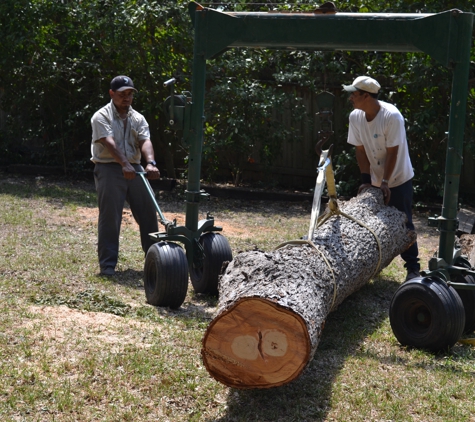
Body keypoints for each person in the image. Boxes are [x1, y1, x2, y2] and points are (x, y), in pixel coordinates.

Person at [343, 75, 420, 281]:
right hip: (376, 178)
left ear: (366, 96)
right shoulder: (356, 117)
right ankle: (370, 267)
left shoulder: (391, 116)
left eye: (354, 94)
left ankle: (413, 268)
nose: (351, 98)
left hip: (398, 177)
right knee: (371, 223)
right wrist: (366, 181)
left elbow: (393, 152)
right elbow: (360, 150)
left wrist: (386, 183)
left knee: (405, 223)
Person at [90, 75, 160, 276]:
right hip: (109, 168)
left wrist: (151, 163)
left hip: (135, 167)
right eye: (122, 94)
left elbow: (145, 141)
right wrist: (125, 164)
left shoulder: (138, 118)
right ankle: (108, 265)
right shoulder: (101, 116)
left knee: (148, 212)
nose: (127, 98)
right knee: (111, 216)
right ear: (112, 94)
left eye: (130, 94)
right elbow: (109, 143)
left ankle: (155, 260)